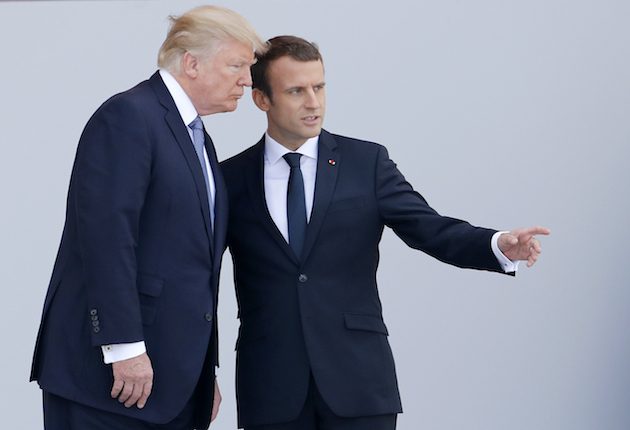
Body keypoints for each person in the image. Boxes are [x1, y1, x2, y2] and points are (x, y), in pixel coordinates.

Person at [220, 35, 550, 430]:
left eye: (319, 87)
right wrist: (199, 370)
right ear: (261, 99)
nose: (314, 102)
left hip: (358, 380)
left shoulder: (366, 162)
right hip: (270, 385)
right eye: (296, 91)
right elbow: (196, 276)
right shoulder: (228, 178)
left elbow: (429, 228)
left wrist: (496, 244)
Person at [30, 6, 264, 430]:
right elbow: (105, 238)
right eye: (237, 66)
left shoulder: (197, 140)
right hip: (110, 382)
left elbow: (193, 265)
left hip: (171, 384)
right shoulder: (128, 116)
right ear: (192, 63)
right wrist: (124, 348)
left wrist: (201, 372)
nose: (247, 81)